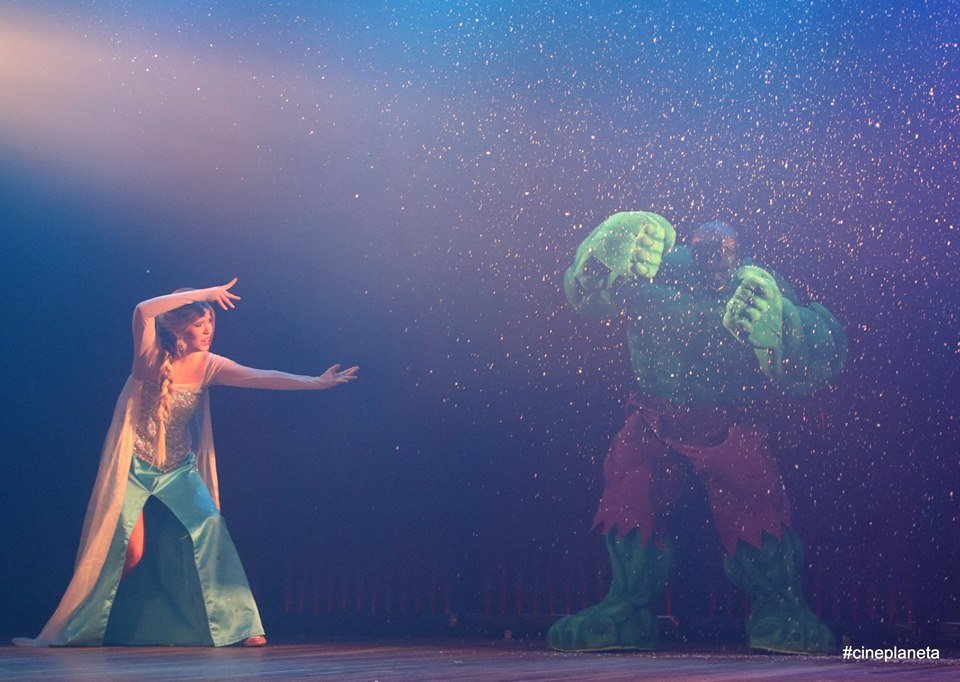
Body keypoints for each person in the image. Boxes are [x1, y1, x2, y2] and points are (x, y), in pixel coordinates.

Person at [549, 212, 847, 654]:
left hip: (728, 422)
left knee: (753, 499)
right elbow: (588, 294)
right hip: (656, 416)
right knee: (631, 493)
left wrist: (780, 320)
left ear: (735, 251)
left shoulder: (756, 284)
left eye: (723, 251)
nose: (714, 260)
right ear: (693, 248)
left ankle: (780, 606)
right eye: (706, 249)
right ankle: (627, 606)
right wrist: (603, 255)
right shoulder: (655, 272)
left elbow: (824, 345)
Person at [15, 278, 358, 647]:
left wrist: (316, 382)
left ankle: (244, 625)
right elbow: (143, 310)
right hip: (134, 466)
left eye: (210, 321)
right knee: (129, 554)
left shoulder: (208, 365)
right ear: (178, 327)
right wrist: (204, 294)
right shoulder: (148, 357)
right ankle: (96, 625)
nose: (208, 329)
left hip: (177, 467)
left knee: (211, 524)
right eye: (198, 323)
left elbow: (262, 377)